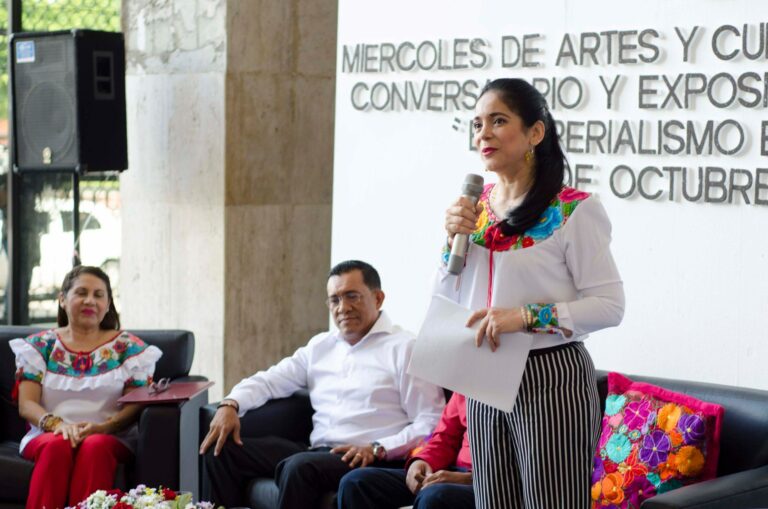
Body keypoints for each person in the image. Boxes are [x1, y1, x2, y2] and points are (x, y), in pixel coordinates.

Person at [439, 78, 625, 509]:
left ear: (534, 133)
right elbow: (449, 291)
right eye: (477, 123)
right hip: (484, 374)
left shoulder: (573, 209)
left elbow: (611, 306)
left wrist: (524, 317)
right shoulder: (475, 208)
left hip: (551, 377)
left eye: (498, 120)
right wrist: (450, 239)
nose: (482, 133)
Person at [200, 260, 445, 509]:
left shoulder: (405, 349)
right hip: (317, 451)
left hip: (370, 458)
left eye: (352, 296)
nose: (343, 307)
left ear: (378, 298)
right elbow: (269, 380)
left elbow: (430, 421)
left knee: (299, 467)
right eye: (335, 300)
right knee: (220, 450)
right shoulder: (320, 346)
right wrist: (230, 404)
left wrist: (378, 448)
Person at [9, 265, 162, 509]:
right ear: (62, 299)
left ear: (108, 304)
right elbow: (27, 404)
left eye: (98, 295)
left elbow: (135, 405)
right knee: (57, 444)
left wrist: (103, 427)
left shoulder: (130, 349)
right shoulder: (39, 346)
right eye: (81, 292)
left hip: (111, 435)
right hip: (48, 433)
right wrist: (58, 425)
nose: (90, 300)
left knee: (95, 446)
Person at [338, 392, 474, 509]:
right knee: (356, 482)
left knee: (435, 496)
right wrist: (422, 461)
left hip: (485, 483)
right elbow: (446, 437)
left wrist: (471, 479)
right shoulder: (469, 379)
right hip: (453, 472)